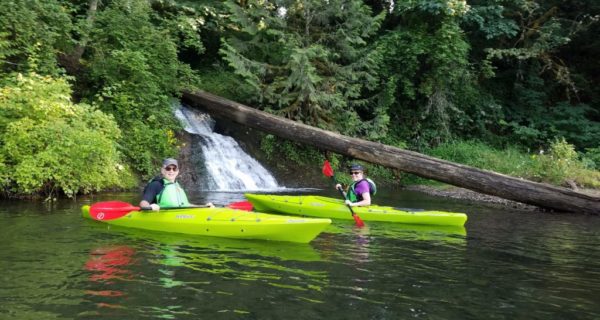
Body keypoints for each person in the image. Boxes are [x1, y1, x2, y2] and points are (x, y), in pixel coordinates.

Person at [140, 158, 213, 210]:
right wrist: (150, 206)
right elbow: (143, 203)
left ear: (177, 171)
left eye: (174, 169)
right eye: (168, 168)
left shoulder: (177, 186)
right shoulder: (156, 185)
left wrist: (204, 207)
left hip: (180, 216)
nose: (171, 171)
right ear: (162, 170)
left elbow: (186, 205)